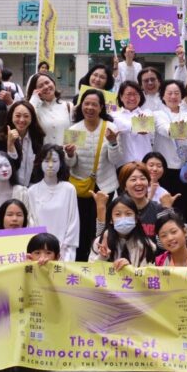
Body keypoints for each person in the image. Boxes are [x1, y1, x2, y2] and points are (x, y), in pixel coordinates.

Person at [64, 89, 123, 261]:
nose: (89, 108)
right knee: (82, 226)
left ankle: (101, 259)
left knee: (102, 226)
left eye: (94, 104)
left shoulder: (110, 128)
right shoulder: (74, 129)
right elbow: (70, 164)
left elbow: (116, 159)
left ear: (101, 107)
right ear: (81, 106)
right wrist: (69, 154)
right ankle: (81, 260)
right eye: (86, 104)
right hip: (81, 187)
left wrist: (112, 142)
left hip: (106, 185)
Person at [152, 79, 187, 225]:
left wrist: (180, 129)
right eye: (169, 93)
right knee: (165, 207)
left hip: (186, 169)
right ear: (163, 96)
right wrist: (180, 130)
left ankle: (183, 235)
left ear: (182, 95)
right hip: (166, 169)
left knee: (184, 206)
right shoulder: (158, 114)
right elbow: (166, 130)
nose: (173, 96)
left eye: (176, 93)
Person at [27, 145, 79, 262]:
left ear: (61, 163)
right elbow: (31, 222)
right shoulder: (32, 191)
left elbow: (73, 221)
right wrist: (41, 250)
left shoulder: (69, 189)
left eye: (54, 161)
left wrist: (63, 248)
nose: (50, 165)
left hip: (64, 250)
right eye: (46, 161)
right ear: (40, 163)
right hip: (39, 252)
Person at [90, 194, 156, 268]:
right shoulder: (100, 242)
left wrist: (129, 268)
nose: (123, 218)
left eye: (128, 214)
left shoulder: (146, 245)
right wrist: (102, 257)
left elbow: (147, 275)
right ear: (111, 220)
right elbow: (89, 273)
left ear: (136, 218)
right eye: (118, 214)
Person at [0, 100, 45, 188]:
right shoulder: (0, 139)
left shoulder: (37, 137)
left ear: (32, 118)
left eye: (26, 116)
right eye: (18, 116)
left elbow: (38, 167)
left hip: (29, 188)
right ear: (11, 116)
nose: (22, 120)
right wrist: (10, 144)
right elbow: (5, 167)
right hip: (7, 189)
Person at [112, 81, 155, 167]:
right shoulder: (114, 116)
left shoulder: (148, 113)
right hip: (124, 165)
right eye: (128, 94)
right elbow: (122, 125)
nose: (132, 98)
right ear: (121, 97)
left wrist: (140, 126)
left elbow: (146, 128)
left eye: (136, 94)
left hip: (146, 163)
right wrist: (138, 125)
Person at [26, 72, 73, 147]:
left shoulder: (68, 106)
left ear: (53, 82)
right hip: (44, 156)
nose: (46, 87)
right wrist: (34, 99)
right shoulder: (35, 108)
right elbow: (26, 119)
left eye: (47, 82)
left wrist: (71, 155)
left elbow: (74, 136)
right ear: (35, 90)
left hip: (65, 156)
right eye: (40, 86)